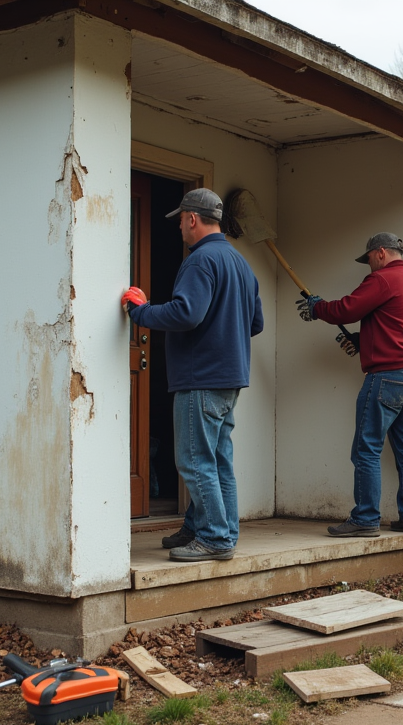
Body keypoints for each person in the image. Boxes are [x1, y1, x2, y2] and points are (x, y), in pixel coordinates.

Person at [122, 188, 263, 562]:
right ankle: (212, 529)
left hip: (201, 377)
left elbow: (186, 313)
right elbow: (256, 322)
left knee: (194, 461)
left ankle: (215, 539)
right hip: (230, 378)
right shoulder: (240, 263)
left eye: (181, 222)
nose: (180, 229)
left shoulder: (201, 261)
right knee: (217, 460)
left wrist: (141, 311)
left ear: (191, 219)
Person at [297, 233, 403, 537]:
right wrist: (364, 340)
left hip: (389, 374)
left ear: (381, 253)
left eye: (369, 258)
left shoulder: (383, 280)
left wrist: (317, 307)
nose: (368, 265)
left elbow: (347, 309)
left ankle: (365, 518)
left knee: (366, 447)